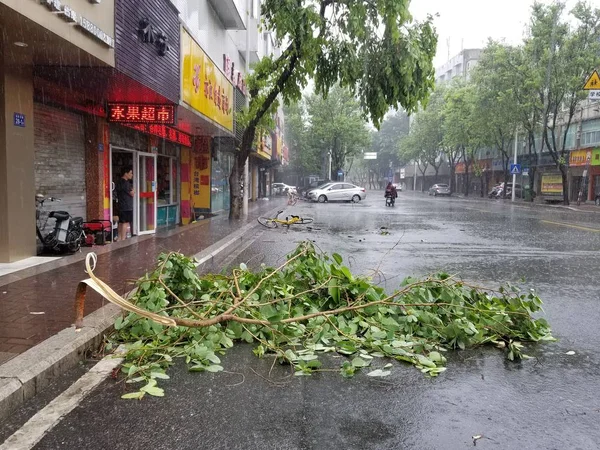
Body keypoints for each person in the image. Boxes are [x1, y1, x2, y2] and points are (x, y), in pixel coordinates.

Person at [116, 166, 134, 241]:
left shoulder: (119, 182)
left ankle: (119, 238)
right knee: (125, 223)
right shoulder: (126, 183)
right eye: (130, 173)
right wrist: (133, 189)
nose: (132, 175)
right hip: (127, 206)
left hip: (120, 204)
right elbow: (132, 193)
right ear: (125, 173)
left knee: (120, 222)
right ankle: (123, 240)